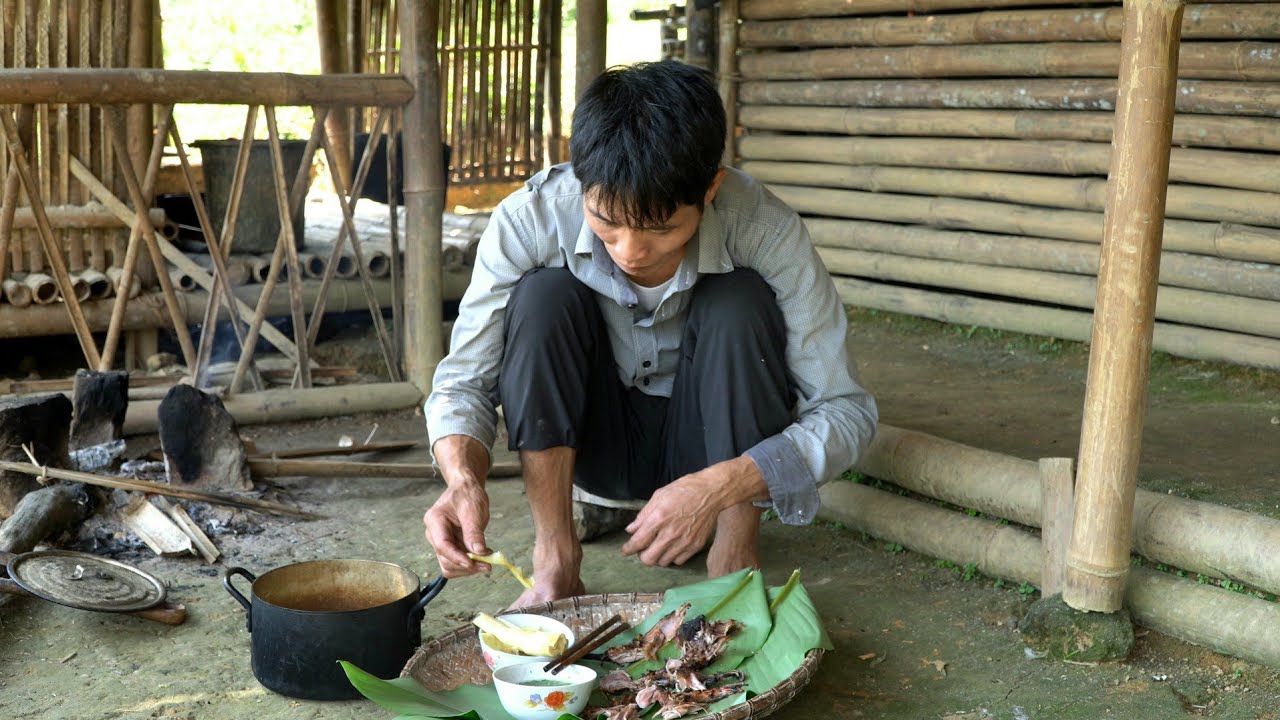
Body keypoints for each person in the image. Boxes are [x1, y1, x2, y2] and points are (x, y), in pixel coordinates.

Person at [423, 60, 877, 608]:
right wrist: (461, 480)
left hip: (710, 453)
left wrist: (721, 485)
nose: (631, 251)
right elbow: (463, 382)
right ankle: (557, 560)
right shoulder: (532, 219)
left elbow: (845, 410)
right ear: (580, 176)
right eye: (606, 222)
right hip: (592, 446)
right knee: (543, 296)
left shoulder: (764, 230)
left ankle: (733, 557)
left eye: (661, 228)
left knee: (739, 301)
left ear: (711, 187)